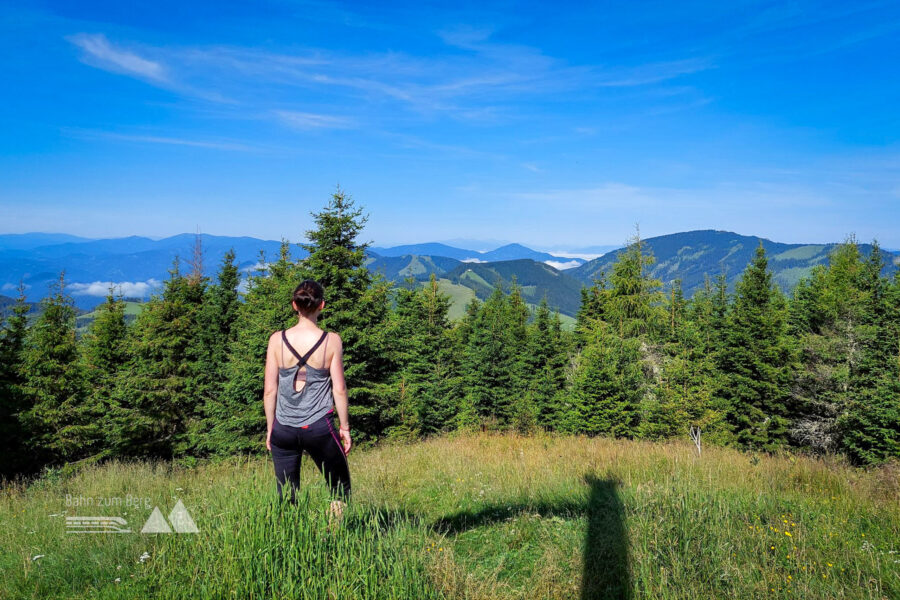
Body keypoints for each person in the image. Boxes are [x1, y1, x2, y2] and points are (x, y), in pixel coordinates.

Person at [263, 279, 352, 518]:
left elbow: (270, 390)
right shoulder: (331, 341)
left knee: (287, 494)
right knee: (340, 488)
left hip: (284, 426)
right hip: (319, 427)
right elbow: (339, 389)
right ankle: (336, 537)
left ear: (295, 305)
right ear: (321, 305)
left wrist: (271, 428)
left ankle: (289, 540)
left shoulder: (276, 340)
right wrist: (345, 428)